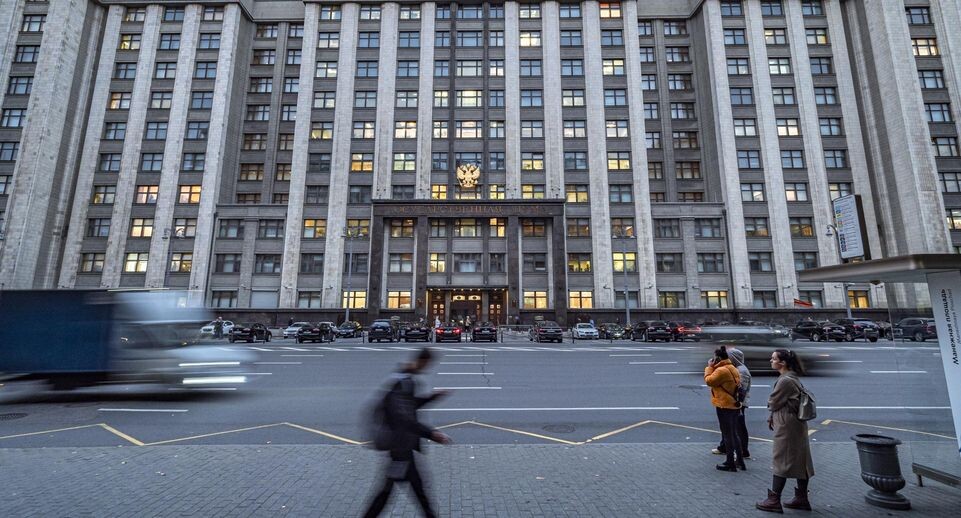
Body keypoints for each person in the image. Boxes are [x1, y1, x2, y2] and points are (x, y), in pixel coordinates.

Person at [363, 348, 452, 518]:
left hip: (402, 447)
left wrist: (432, 397)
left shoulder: (404, 378)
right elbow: (403, 417)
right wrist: (431, 434)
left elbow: (409, 406)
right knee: (393, 492)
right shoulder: (403, 382)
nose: (428, 368)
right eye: (428, 364)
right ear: (423, 361)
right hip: (400, 447)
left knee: (411, 490)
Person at [756, 349, 815, 513]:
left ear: (782, 363)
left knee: (781, 458)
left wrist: (771, 410)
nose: (771, 361)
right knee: (801, 459)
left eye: (773, 358)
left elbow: (773, 402)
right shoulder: (792, 377)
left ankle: (774, 499)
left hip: (787, 424)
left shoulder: (785, 381)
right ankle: (801, 498)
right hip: (795, 423)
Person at [704, 346, 745, 472]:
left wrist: (709, 367)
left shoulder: (721, 370)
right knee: (734, 433)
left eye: (714, 358)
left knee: (727, 435)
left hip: (724, 405)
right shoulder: (732, 368)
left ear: (718, 358)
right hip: (733, 404)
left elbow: (709, 381)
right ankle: (740, 461)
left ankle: (730, 462)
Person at [712, 347, 752, 459]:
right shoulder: (734, 368)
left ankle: (743, 451)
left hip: (737, 403)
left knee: (738, 427)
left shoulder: (741, 371)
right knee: (728, 427)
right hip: (732, 402)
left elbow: (741, 390)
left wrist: (738, 403)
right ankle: (724, 447)